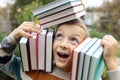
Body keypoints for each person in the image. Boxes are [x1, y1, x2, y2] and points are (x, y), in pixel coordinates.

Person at [0, 18, 120, 80]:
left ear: (85, 47)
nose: (63, 44)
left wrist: (111, 62)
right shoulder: (30, 70)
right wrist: (12, 38)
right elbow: (2, 62)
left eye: (73, 40)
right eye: (59, 36)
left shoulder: (89, 78)